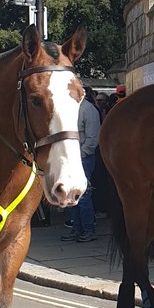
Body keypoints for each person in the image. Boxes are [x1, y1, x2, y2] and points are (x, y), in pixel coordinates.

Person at [62, 90, 100, 244]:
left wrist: (82, 154)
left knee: (83, 195)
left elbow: (93, 137)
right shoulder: (71, 109)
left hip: (83, 158)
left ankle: (88, 230)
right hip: (71, 157)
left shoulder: (88, 110)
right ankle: (77, 229)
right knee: (72, 196)